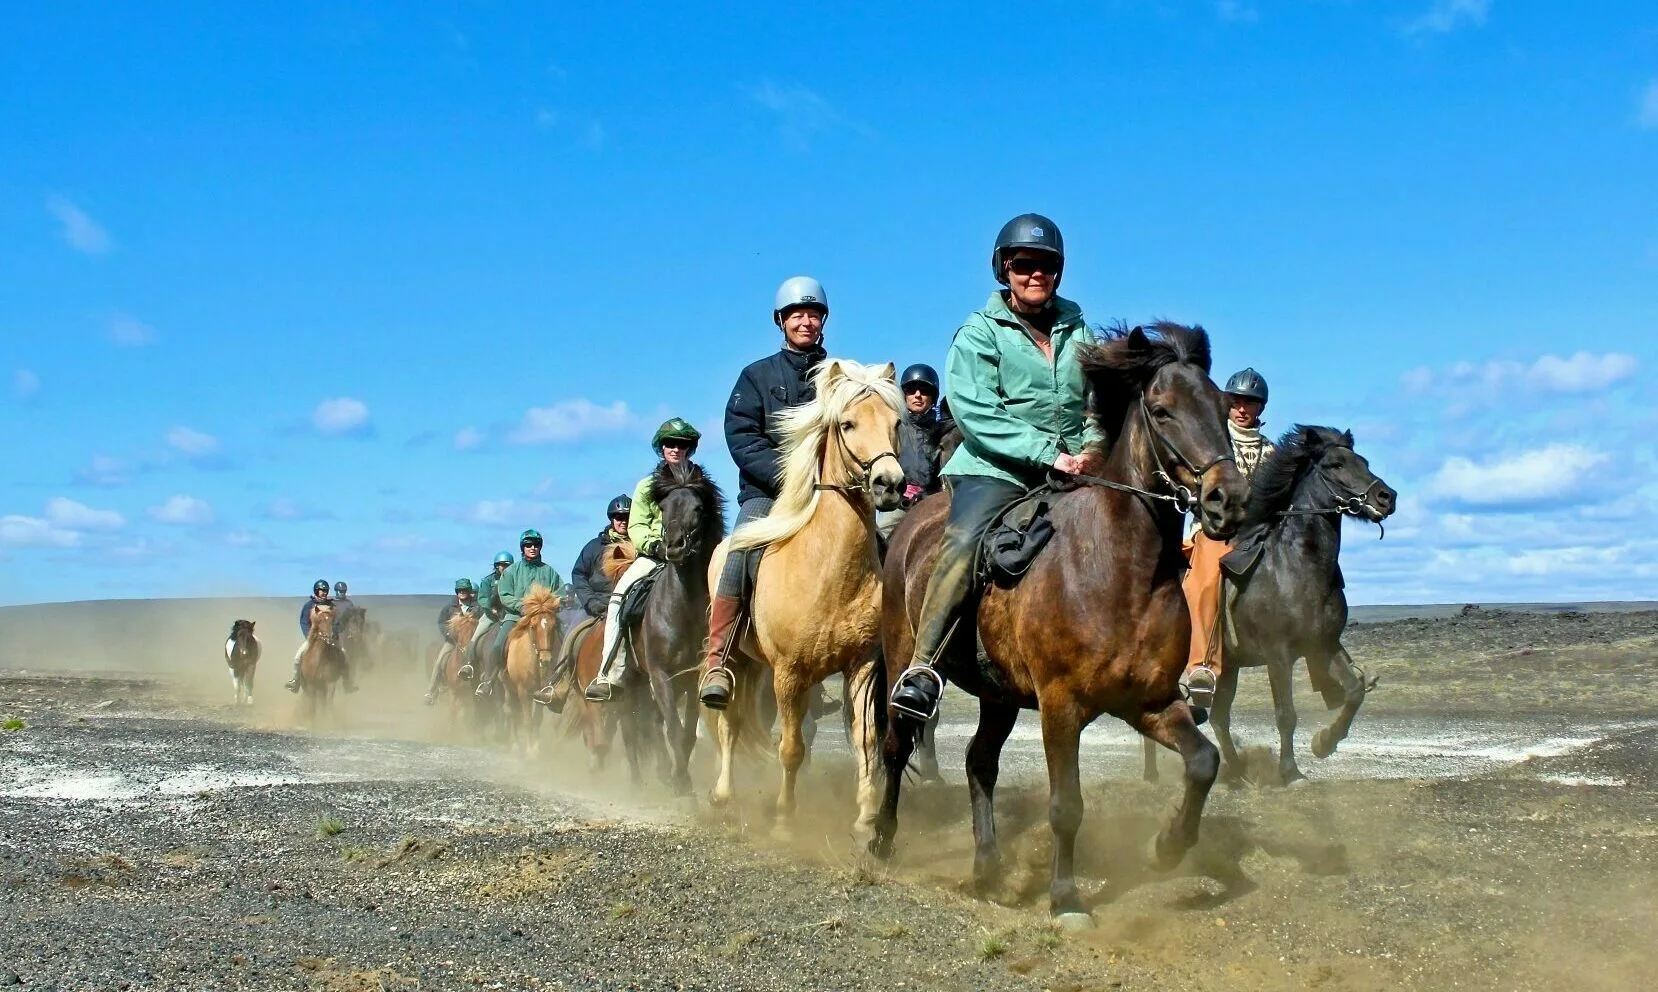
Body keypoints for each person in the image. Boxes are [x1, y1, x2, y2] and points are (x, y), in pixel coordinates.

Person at [889, 214, 1103, 722]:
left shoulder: (1080, 330)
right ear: (1004, 268)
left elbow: (1099, 404)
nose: (1036, 273)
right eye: (1024, 263)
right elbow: (975, 411)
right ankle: (923, 667)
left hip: (1074, 465)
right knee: (962, 540)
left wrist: (1092, 449)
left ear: (1059, 271)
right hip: (995, 467)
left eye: (1046, 265)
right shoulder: (978, 333)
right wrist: (1045, 452)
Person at [697, 277, 829, 709]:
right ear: (780, 321)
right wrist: (791, 477)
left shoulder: (838, 376)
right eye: (797, 315)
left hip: (830, 493)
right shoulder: (754, 376)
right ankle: (718, 658)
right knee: (740, 553)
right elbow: (742, 437)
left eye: (813, 314)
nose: (805, 322)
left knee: (879, 550)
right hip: (767, 493)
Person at [581, 418, 703, 703]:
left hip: (693, 560)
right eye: (670, 444)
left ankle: (721, 670)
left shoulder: (700, 483)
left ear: (690, 449)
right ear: (661, 448)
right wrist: (656, 545)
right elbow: (637, 525)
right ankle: (609, 672)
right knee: (618, 600)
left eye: (682, 444)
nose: (676, 449)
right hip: (654, 557)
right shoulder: (647, 485)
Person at [1181, 368, 1277, 712]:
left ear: (1260, 408)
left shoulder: (1272, 451)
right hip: (1216, 529)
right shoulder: (1211, 441)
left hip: (1259, 532)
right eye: (1235, 402)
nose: (1241, 409)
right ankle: (1202, 667)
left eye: (1249, 403)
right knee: (1205, 583)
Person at [476, 529, 563, 697]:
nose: (532, 548)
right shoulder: (511, 572)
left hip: (543, 617)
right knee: (497, 644)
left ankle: (563, 681)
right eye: (528, 545)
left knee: (564, 637)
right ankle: (488, 680)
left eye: (536, 545)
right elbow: (505, 595)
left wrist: (557, 602)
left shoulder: (549, 572)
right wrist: (522, 607)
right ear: (522, 548)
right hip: (515, 617)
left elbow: (560, 591)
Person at [877, 362, 952, 541]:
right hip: (898, 505)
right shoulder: (893, 428)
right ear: (904, 396)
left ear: (933, 397)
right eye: (911, 390)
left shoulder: (943, 432)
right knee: (877, 540)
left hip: (932, 503)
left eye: (924, 390)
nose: (917, 395)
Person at [284, 579, 358, 693]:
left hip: (330, 638)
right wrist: (309, 635)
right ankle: (295, 681)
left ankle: (347, 683)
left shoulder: (332, 606)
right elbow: (303, 622)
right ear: (316, 591)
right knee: (298, 657)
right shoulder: (309, 605)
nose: (323, 592)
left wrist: (335, 631)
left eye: (325, 590)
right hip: (313, 638)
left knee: (343, 654)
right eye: (321, 590)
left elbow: (337, 622)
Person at [570, 495, 633, 620]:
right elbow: (578, 575)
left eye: (627, 518)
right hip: (600, 607)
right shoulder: (594, 547)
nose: (624, 522)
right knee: (573, 633)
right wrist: (591, 602)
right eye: (619, 518)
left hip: (632, 606)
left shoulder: (640, 547)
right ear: (612, 520)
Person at [424, 579, 480, 705]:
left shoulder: (477, 607)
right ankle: (431, 692)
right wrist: (448, 633)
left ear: (469, 591)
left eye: (465, 590)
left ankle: (485, 686)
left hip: (471, 642)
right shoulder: (449, 607)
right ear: (456, 591)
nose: (462, 592)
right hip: (453, 641)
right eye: (460, 590)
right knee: (439, 661)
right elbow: (441, 622)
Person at [463, 551, 514, 679]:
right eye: (502, 565)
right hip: (491, 615)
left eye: (507, 565)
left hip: (510, 614)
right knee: (475, 636)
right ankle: (469, 664)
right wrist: (491, 608)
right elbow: (483, 598)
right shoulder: (487, 581)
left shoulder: (515, 579)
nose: (504, 568)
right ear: (497, 566)